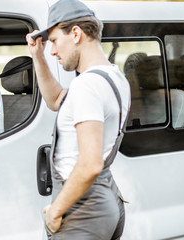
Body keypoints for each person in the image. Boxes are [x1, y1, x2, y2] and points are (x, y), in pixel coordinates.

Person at [26, 0, 130, 239]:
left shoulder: (86, 85)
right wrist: (38, 57)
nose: (52, 50)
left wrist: (56, 211)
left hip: (82, 207)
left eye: (53, 41)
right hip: (106, 197)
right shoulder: (113, 76)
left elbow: (90, 163)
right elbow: (57, 101)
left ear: (75, 33)